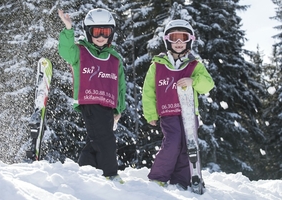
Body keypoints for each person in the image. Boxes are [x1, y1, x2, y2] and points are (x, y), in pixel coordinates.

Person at [142, 19, 214, 189]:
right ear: (168, 40)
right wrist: (151, 114)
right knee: (173, 142)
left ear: (190, 40)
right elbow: (148, 90)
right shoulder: (157, 65)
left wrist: (193, 81)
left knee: (188, 147)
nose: (179, 42)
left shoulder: (194, 64)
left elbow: (207, 84)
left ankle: (181, 180)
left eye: (183, 37)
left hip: (189, 113)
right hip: (168, 112)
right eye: (175, 38)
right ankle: (159, 176)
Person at [58, 8, 126, 183]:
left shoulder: (114, 58)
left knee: (95, 141)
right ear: (88, 32)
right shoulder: (80, 52)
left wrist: (119, 108)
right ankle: (110, 173)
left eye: (106, 32)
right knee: (106, 139)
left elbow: (120, 85)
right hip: (90, 100)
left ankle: (86, 171)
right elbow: (65, 51)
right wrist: (68, 29)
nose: (101, 36)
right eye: (97, 32)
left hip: (108, 105)